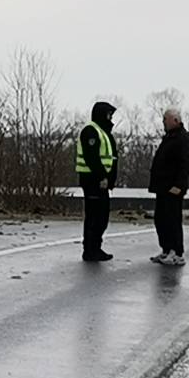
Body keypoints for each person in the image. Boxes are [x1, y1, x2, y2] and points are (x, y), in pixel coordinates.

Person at [148, 108, 189, 266]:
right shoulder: (169, 137)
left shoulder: (182, 138)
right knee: (161, 219)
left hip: (173, 187)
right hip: (163, 186)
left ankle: (176, 251)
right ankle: (166, 249)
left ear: (175, 120)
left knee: (172, 219)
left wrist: (179, 185)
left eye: (165, 119)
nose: (163, 122)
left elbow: (184, 164)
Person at [76, 101, 119, 263]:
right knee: (94, 217)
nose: (110, 118)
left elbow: (111, 157)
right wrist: (102, 176)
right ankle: (90, 250)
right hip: (93, 181)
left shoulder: (103, 132)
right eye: (108, 115)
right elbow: (91, 157)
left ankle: (96, 247)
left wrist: (110, 179)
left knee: (102, 217)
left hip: (101, 182)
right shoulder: (91, 131)